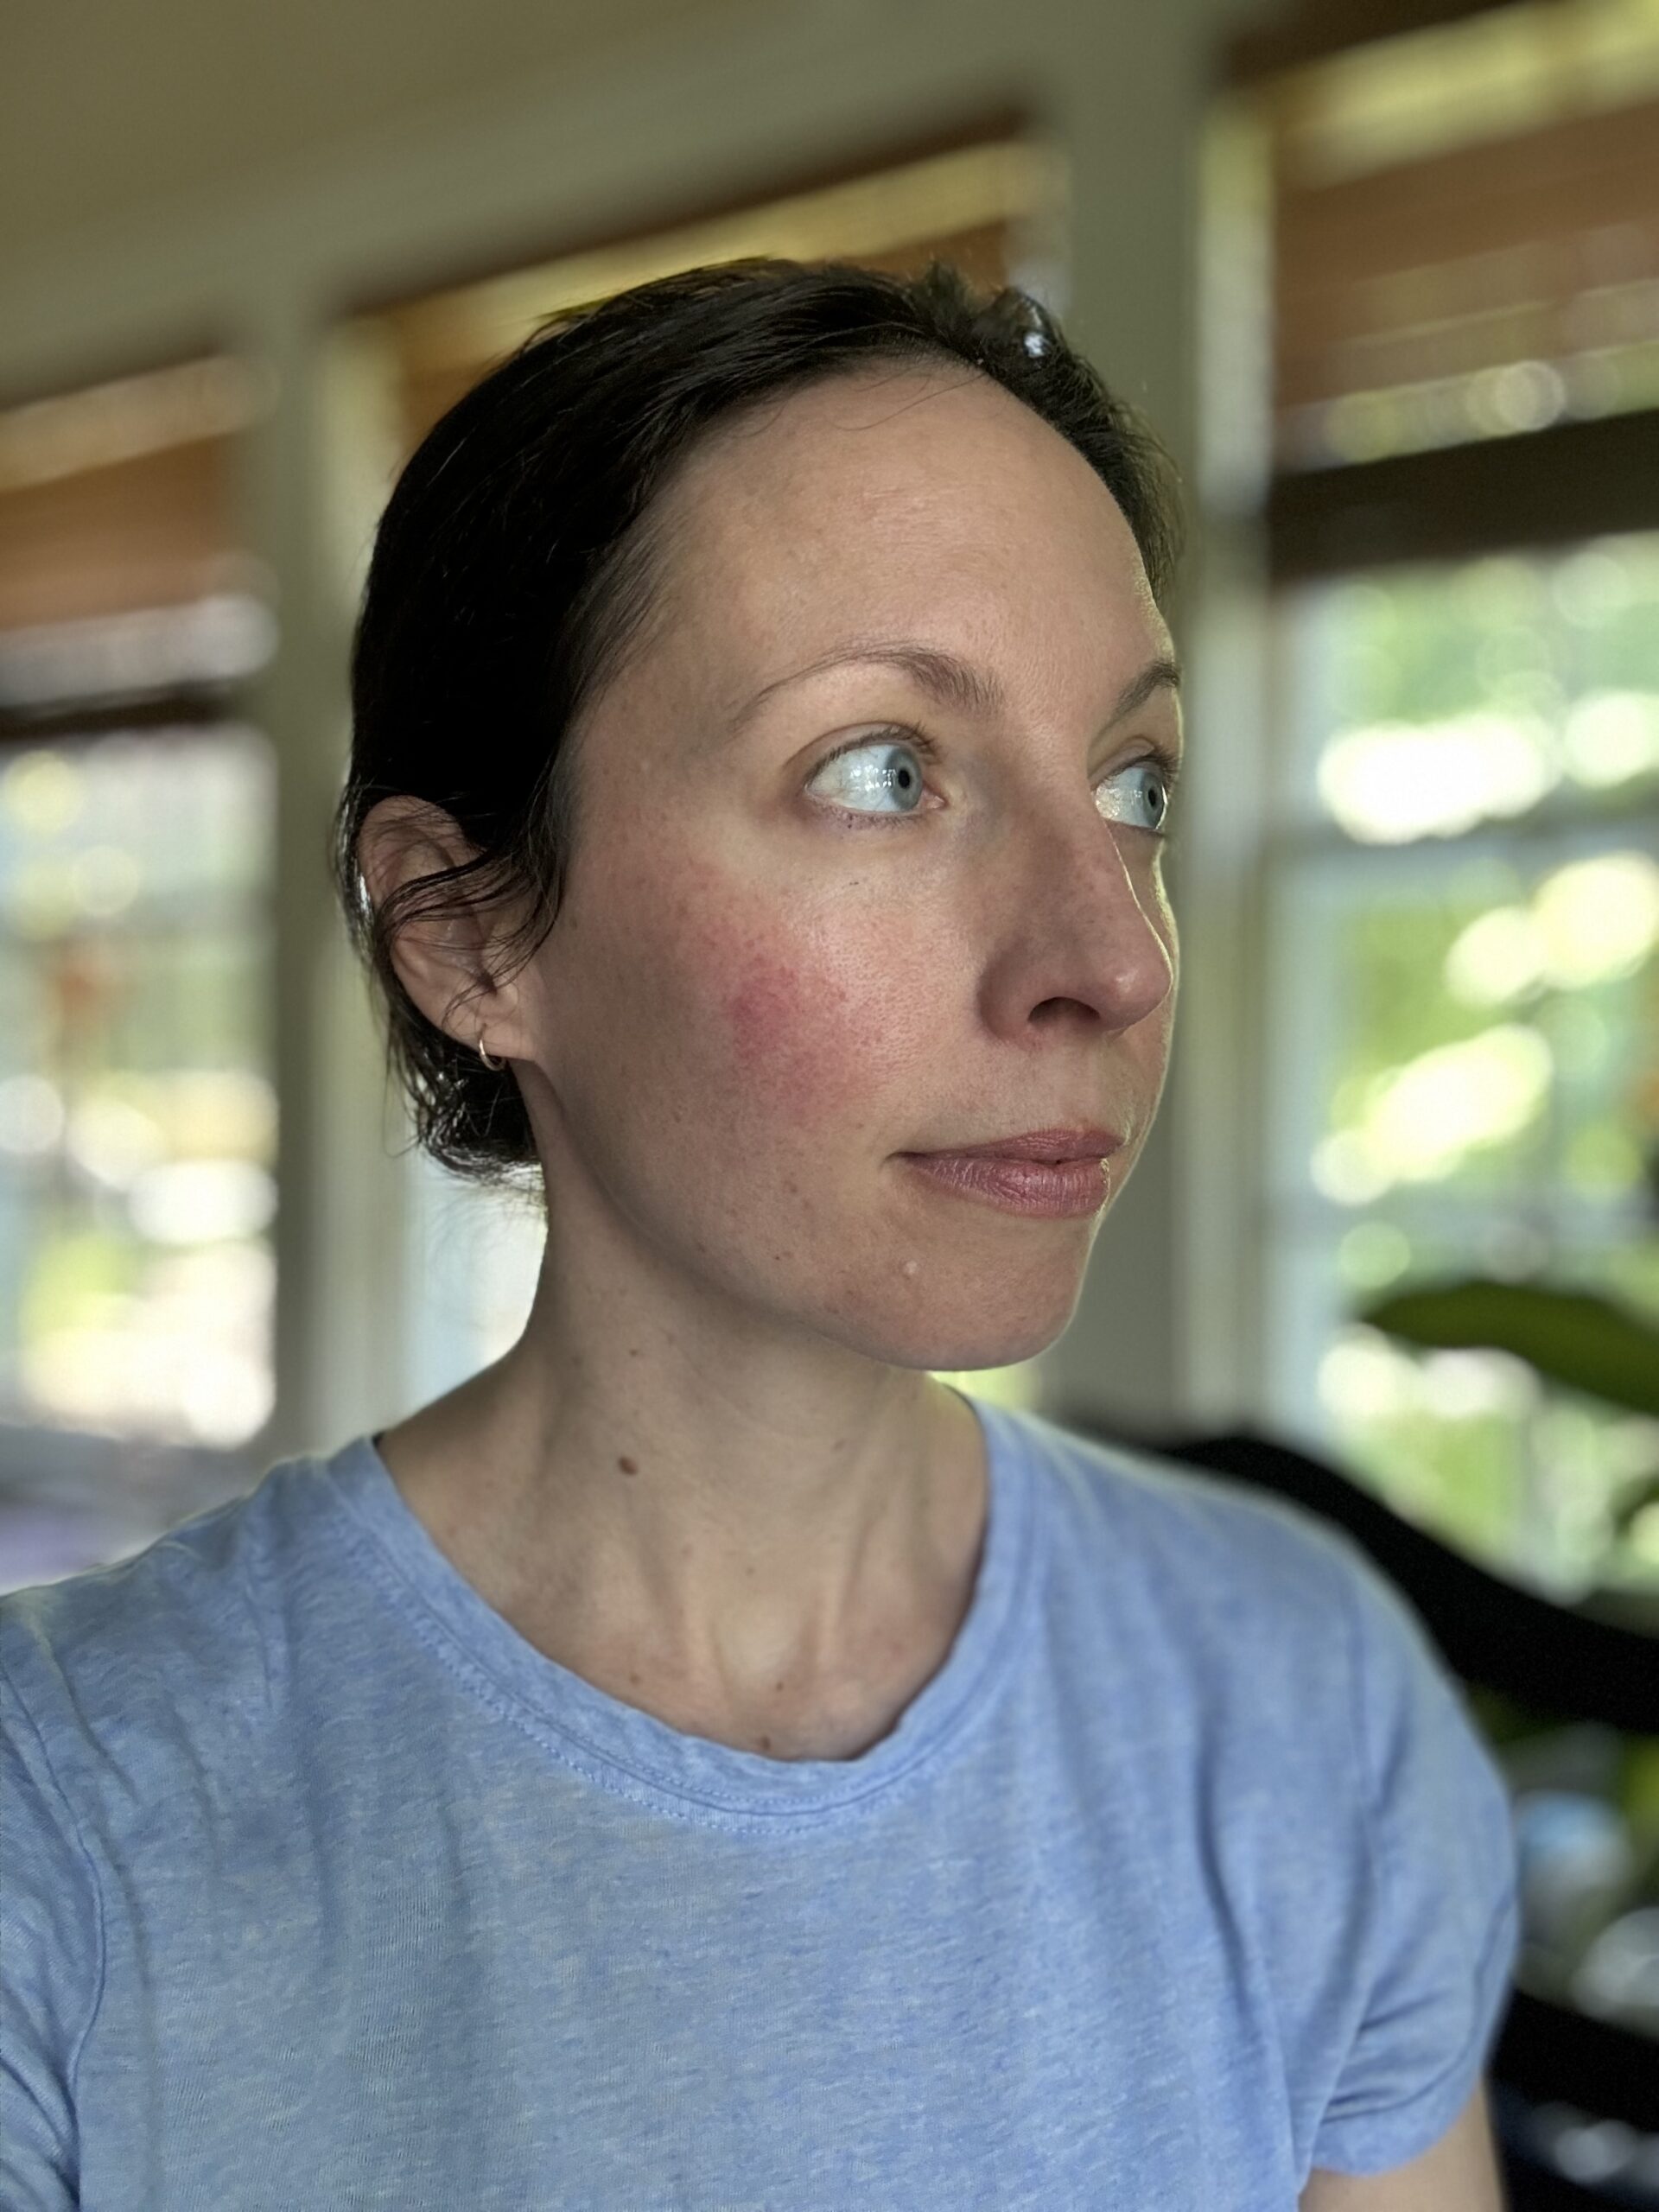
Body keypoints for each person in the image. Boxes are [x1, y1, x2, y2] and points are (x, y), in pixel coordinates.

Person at [1, 257, 1517, 2209]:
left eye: (1132, 780)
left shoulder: (1301, 1699)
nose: (1112, 956)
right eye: (883, 771)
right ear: (466, 931)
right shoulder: (70, 1826)